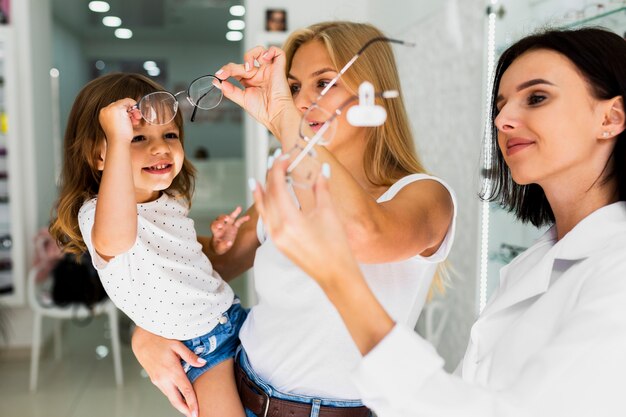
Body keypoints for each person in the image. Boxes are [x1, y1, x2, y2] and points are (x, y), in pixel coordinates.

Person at [251, 26, 626, 416]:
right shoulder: (534, 262)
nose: (502, 120)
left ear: (611, 117)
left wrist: (337, 278)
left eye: (537, 97)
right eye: (500, 105)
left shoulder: (617, 270)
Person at [131, 21, 457, 417]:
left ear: (371, 90)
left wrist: (283, 119)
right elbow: (205, 270)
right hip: (239, 390)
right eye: (294, 87)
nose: (302, 102)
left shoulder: (425, 196)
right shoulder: (287, 186)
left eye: (323, 83)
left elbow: (360, 233)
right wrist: (146, 331)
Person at [49, 73, 251, 417]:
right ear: (100, 157)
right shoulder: (98, 212)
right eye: (137, 137)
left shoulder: (169, 199)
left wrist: (214, 243)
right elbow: (118, 239)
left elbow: (177, 250)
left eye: (170, 134)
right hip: (200, 348)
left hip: (231, 317)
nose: (160, 147)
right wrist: (116, 135)